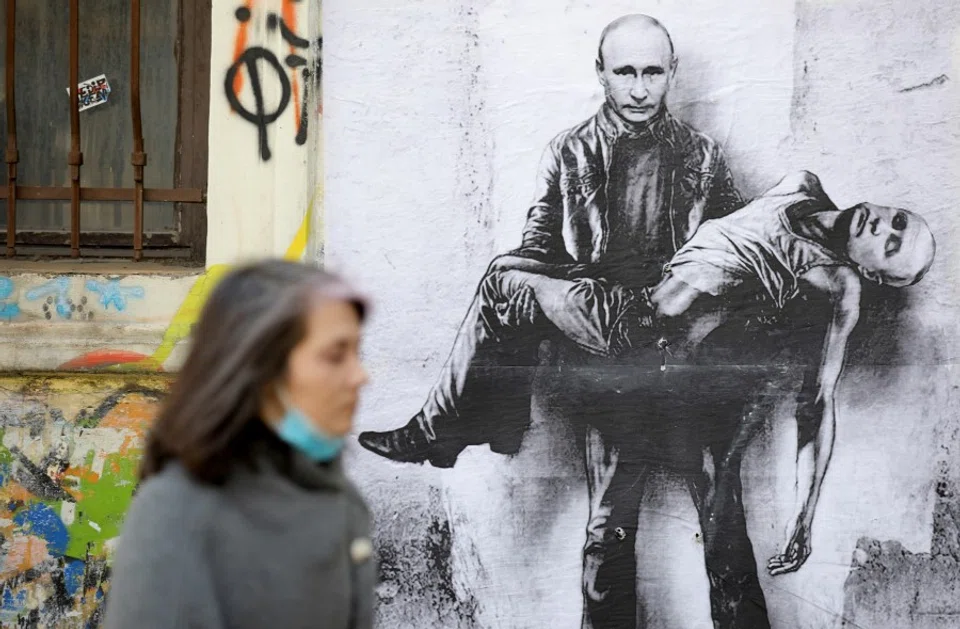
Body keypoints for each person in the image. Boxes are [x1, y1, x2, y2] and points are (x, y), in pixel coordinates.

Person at [401, 169, 935, 628]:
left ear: (870, 273)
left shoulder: (836, 283)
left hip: (634, 336)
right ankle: (478, 426)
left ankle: (448, 432)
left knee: (502, 284)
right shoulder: (801, 185)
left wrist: (804, 515)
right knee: (506, 274)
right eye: (898, 221)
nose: (883, 227)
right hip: (630, 303)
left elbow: (817, 403)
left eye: (891, 246)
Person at [358, 14, 743, 628]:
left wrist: (695, 321)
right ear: (601, 74)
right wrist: (539, 294)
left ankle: (444, 427)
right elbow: (541, 245)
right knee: (608, 535)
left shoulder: (703, 155)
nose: (639, 88)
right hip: (608, 357)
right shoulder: (571, 151)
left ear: (672, 72)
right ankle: (452, 423)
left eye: (652, 73)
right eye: (625, 73)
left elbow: (734, 254)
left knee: (725, 532)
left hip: (682, 354)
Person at [102, 260, 375, 629]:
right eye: (335, 355)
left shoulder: (341, 501)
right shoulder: (178, 513)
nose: (360, 376)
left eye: (358, 353)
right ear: (261, 369)